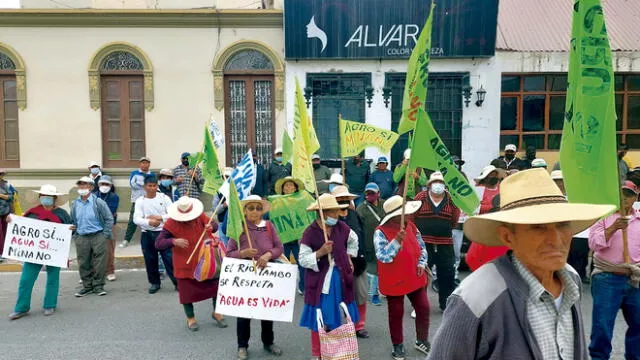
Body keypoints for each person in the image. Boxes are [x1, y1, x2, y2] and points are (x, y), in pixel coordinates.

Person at [428, 168, 614, 359]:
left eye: (562, 224)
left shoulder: (570, 278)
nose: (556, 239)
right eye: (538, 227)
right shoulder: (475, 298)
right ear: (508, 237)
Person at [299, 193, 359, 360]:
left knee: (339, 316)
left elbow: (354, 241)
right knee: (320, 319)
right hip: (320, 283)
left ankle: (336, 353)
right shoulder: (310, 232)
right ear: (323, 213)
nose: (336, 215)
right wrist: (320, 253)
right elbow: (303, 259)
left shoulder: (342, 228)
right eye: (333, 211)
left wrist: (348, 256)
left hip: (340, 280)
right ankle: (317, 353)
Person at [155, 196, 227, 331]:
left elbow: (215, 226)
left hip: (205, 260)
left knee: (215, 287)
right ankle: (190, 318)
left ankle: (217, 312)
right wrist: (174, 241)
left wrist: (211, 226)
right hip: (184, 264)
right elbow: (158, 243)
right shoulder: (171, 223)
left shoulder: (199, 216)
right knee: (186, 293)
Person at [226, 195, 284, 359]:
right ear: (245, 210)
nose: (255, 211)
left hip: (266, 272)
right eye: (251, 208)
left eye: (258, 208)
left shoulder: (269, 226)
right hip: (245, 274)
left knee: (266, 311)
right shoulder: (238, 227)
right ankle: (242, 345)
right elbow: (228, 254)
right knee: (244, 312)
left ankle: (268, 342)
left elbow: (279, 248)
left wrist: (267, 255)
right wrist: (242, 253)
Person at [588, 180, 640, 360]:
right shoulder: (604, 217)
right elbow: (594, 243)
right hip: (607, 278)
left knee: (639, 325)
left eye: (629, 194)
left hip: (635, 279)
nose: (625, 198)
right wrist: (613, 228)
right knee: (602, 326)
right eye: (622, 194)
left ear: (636, 197)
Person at [375, 195, 430, 359]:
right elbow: (383, 256)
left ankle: (421, 340)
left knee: (423, 307)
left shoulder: (411, 226)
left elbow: (422, 246)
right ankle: (397, 345)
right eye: (405, 212)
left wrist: (421, 262)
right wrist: (396, 242)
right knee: (396, 313)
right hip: (394, 279)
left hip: (414, 275)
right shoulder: (380, 232)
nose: (409, 215)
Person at [8, 185, 72, 320]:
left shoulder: (62, 214)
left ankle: (50, 304)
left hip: (54, 252)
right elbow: (21, 227)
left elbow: (70, 231)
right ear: (39, 197)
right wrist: (12, 221)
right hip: (34, 252)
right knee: (26, 280)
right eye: (43, 196)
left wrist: (72, 229)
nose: (46, 199)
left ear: (54, 199)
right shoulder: (32, 213)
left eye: (49, 197)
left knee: (53, 279)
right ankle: (21, 308)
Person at [413, 172, 460, 311]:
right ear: (429, 184)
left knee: (447, 273)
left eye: (440, 182)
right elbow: (411, 215)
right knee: (421, 273)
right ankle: (419, 305)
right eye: (435, 182)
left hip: (445, 242)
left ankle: (445, 304)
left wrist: (442, 228)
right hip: (423, 243)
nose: (437, 185)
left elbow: (454, 218)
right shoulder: (420, 197)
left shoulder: (450, 198)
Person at [331, 185, 369, 338]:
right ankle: (337, 324)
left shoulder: (354, 214)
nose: (343, 201)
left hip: (358, 262)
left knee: (360, 294)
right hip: (337, 263)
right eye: (339, 199)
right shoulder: (330, 218)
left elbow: (362, 234)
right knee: (337, 295)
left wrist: (364, 255)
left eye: (345, 198)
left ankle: (358, 325)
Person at [71, 176, 115, 297]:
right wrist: (75, 234)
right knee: (83, 262)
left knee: (100, 262)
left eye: (85, 185)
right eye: (80, 185)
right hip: (81, 236)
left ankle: (98, 286)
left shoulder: (98, 202)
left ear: (91, 187)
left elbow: (109, 219)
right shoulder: (75, 203)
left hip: (98, 235)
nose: (82, 187)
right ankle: (87, 286)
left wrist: (105, 235)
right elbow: (74, 220)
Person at [133, 175, 177, 294]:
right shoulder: (140, 201)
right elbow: (136, 218)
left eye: (154, 186)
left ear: (157, 186)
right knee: (150, 260)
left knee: (169, 258)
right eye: (149, 186)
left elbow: (173, 214)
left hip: (163, 233)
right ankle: (155, 283)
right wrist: (149, 222)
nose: (152, 188)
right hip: (147, 233)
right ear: (144, 187)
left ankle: (177, 282)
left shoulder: (164, 198)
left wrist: (161, 217)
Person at [465, 165, 509, 271]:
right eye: (491, 175)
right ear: (486, 177)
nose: (493, 177)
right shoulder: (478, 191)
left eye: (495, 175)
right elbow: (474, 208)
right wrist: (492, 207)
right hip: (481, 225)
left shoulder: (502, 189)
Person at [274, 176, 306, 294]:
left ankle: (303, 287)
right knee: (282, 264)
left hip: (298, 238)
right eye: (286, 185)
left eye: (291, 185)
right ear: (282, 189)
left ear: (295, 188)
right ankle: (283, 288)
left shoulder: (301, 201)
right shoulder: (276, 202)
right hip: (283, 239)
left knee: (302, 262)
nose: (289, 187)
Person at [356, 182, 385, 307]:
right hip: (369, 243)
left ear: (378, 194)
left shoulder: (385, 205)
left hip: (384, 242)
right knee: (373, 271)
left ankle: (382, 290)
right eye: (367, 193)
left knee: (383, 269)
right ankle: (374, 295)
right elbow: (358, 228)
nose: (369, 195)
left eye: (372, 193)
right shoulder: (361, 208)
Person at [121, 157, 153, 248]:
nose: (144, 164)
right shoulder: (134, 173)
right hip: (136, 200)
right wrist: (145, 185)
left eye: (146, 163)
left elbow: (152, 186)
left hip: (148, 200)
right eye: (143, 162)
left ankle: (150, 239)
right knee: (132, 221)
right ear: (140, 164)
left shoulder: (152, 174)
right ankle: (127, 240)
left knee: (149, 219)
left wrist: (142, 184)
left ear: (149, 164)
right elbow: (132, 185)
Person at [97, 175, 120, 282]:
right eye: (102, 184)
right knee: (94, 250)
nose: (104, 186)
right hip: (95, 225)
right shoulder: (93, 195)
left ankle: (110, 271)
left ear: (110, 186)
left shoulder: (114, 197)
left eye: (107, 184)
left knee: (109, 249)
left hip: (110, 225)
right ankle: (93, 272)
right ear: (98, 185)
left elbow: (110, 212)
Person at [0, 169, 15, 260]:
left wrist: (1, 195)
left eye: (1, 174)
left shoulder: (6, 184)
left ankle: (4, 252)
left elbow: (11, 196)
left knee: (5, 231)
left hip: (5, 211)